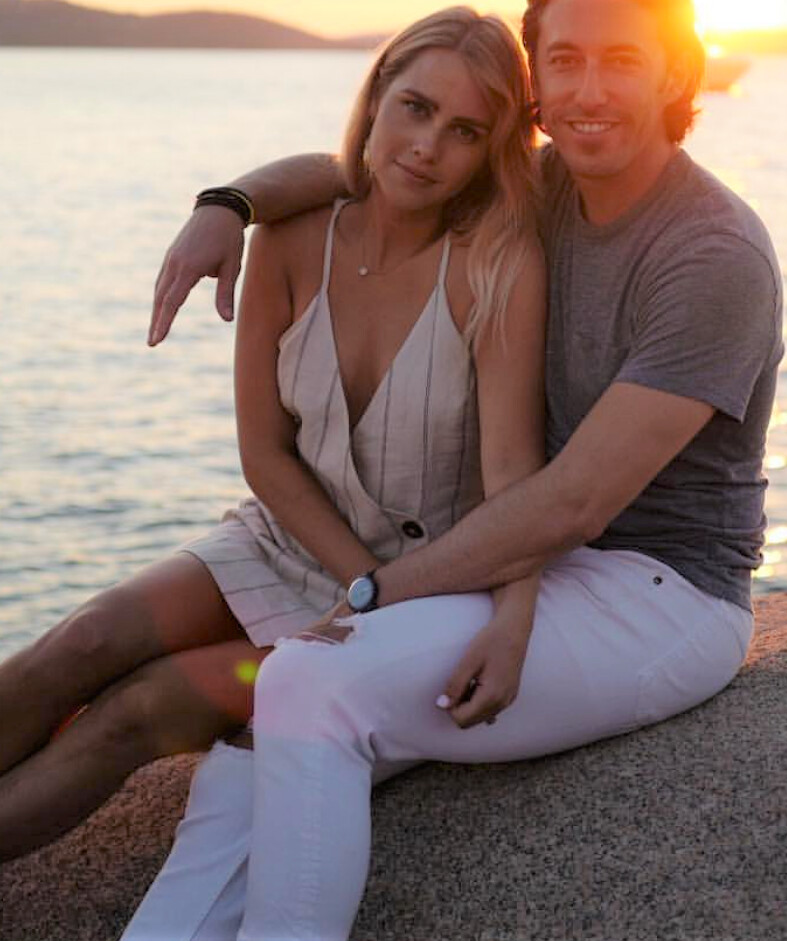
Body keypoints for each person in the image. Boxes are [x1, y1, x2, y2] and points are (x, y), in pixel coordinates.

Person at [122, 0, 784, 938]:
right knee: (252, 745)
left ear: (678, 73)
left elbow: (576, 500)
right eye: (565, 61)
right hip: (534, 563)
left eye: (623, 61)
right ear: (537, 81)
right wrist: (227, 205)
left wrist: (372, 594)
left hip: (662, 591)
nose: (590, 90)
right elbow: (363, 171)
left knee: (309, 681)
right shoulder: (546, 184)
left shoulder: (712, 253)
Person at [0, 7, 547, 863]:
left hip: (422, 591)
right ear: (377, 96)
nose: (426, 147)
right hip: (293, 542)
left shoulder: (496, 266)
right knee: (86, 638)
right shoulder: (290, 240)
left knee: (142, 709)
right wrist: (226, 200)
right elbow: (264, 454)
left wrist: (500, 617)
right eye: (415, 107)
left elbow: (515, 477)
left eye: (465, 131)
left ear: (491, 150)